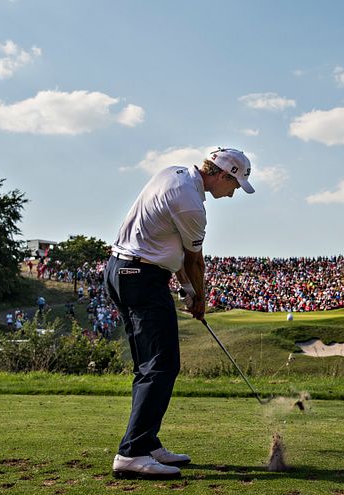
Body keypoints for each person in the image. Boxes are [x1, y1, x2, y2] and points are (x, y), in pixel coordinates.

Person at [104, 148, 254, 480]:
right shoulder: (192, 204)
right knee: (162, 365)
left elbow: (167, 244)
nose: (231, 194)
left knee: (149, 366)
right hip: (141, 278)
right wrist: (199, 297)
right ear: (222, 175)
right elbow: (194, 261)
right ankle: (132, 454)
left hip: (122, 271)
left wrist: (185, 287)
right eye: (234, 185)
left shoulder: (173, 174)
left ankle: (146, 442)